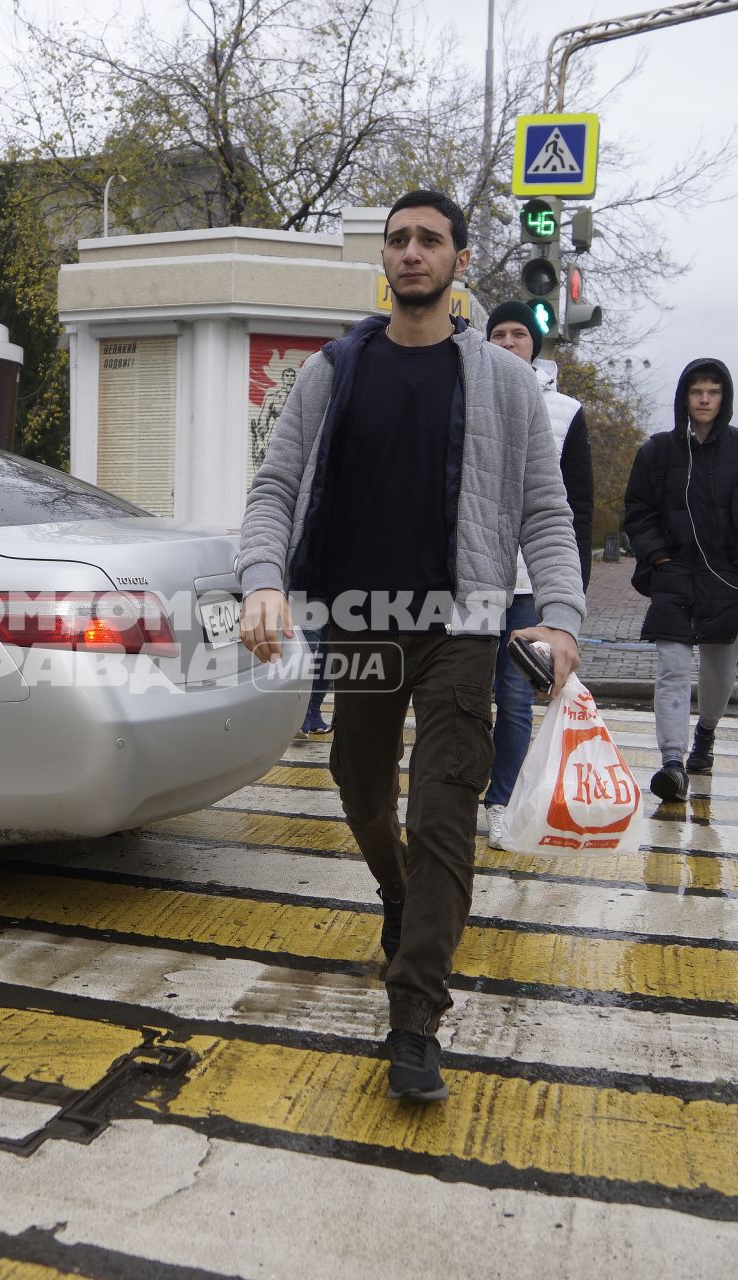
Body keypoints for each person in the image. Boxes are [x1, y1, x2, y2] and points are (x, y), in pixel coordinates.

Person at [235, 189, 585, 1104]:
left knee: (442, 816)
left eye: (430, 240)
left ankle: (415, 1017)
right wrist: (263, 581)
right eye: (398, 240)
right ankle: (395, 895)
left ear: (459, 261)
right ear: (383, 262)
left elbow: (547, 513)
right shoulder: (334, 371)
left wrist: (560, 618)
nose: (412, 252)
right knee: (359, 791)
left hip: (462, 629)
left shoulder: (506, 385)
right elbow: (273, 487)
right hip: (360, 620)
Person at [622, 358, 738, 802]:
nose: (705, 399)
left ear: (724, 398)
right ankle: (672, 762)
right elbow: (638, 511)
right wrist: (659, 556)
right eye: (697, 391)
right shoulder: (658, 451)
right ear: (684, 398)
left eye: (713, 391)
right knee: (671, 668)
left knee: (719, 671)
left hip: (727, 577)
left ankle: (706, 732)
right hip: (673, 573)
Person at [480, 301, 594, 848]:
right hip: (470, 579)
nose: (507, 342)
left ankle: (501, 800)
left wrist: (569, 598)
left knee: (517, 696)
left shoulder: (566, 412)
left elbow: (578, 507)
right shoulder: (465, 395)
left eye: (518, 334)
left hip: (530, 583)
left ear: (535, 344)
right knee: (464, 693)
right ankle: (460, 792)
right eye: (497, 333)